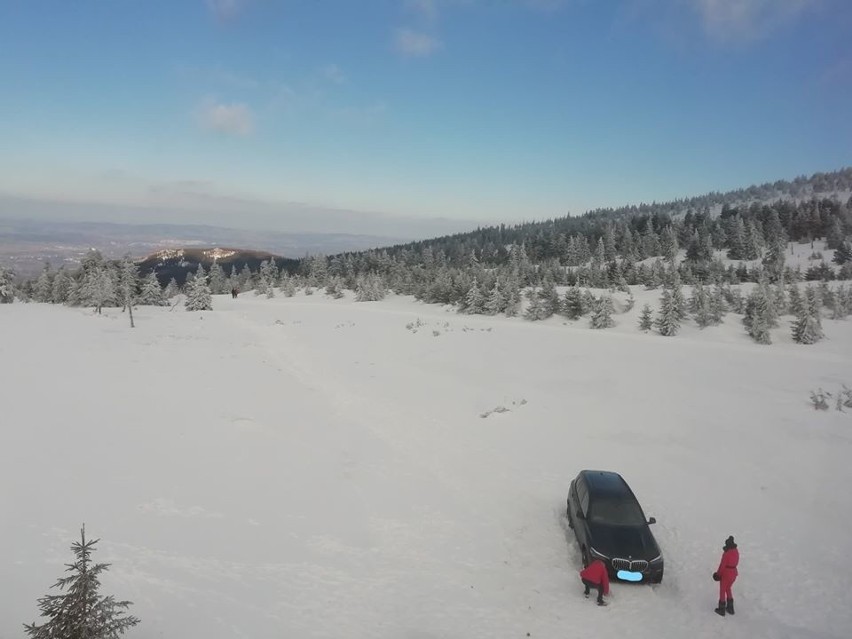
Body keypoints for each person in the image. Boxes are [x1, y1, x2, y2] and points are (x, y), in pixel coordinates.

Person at [713, 535, 739, 616]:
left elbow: (722, 565)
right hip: (734, 573)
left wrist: (718, 574)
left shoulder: (726, 553)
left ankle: (722, 608)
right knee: (728, 588)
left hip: (726, 574)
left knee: (722, 590)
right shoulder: (736, 551)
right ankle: (730, 608)